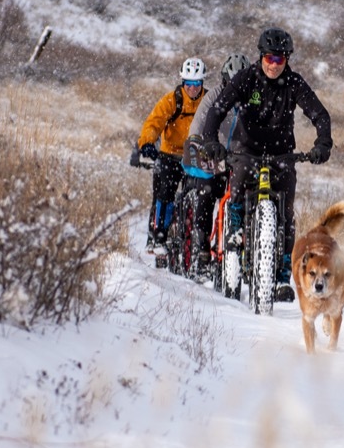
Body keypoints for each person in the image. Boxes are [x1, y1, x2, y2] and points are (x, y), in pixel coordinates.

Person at [200, 28, 333, 302]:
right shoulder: (246, 79)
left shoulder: (294, 83)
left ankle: (282, 276)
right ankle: (233, 248)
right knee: (235, 197)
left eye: (280, 59)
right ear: (261, 56)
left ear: (287, 59)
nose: (274, 65)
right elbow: (217, 109)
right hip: (247, 153)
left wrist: (322, 144)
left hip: (282, 155)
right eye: (270, 58)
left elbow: (319, 114)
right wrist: (211, 140)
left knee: (285, 213)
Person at [180, 53, 250, 281]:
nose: (236, 90)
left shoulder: (254, 98)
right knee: (208, 190)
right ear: (224, 81)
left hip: (242, 157)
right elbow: (199, 122)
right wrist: (198, 141)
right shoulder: (214, 97)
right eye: (231, 84)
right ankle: (201, 245)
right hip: (215, 153)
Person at [135, 57, 207, 257]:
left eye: (197, 84)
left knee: (204, 195)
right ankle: (158, 236)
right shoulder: (172, 100)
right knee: (164, 193)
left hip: (196, 156)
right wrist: (147, 142)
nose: (193, 88)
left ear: (202, 83)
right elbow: (154, 122)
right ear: (183, 82)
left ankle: (199, 242)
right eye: (189, 84)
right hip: (171, 154)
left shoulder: (208, 101)